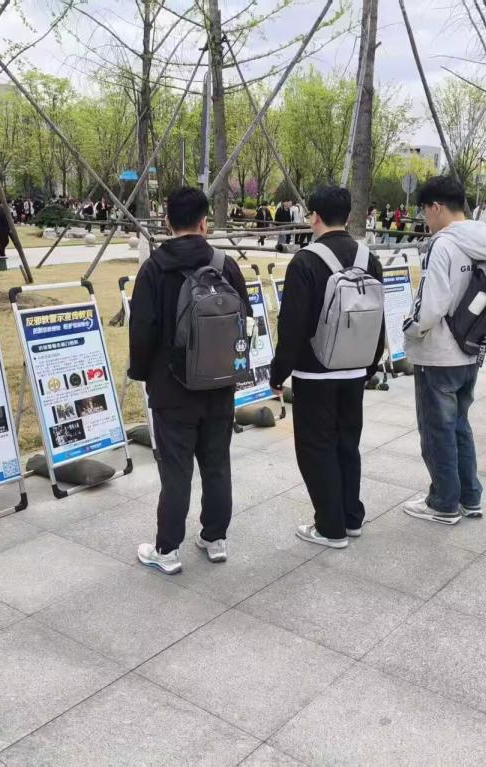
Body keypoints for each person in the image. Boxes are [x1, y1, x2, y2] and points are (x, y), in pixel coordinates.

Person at [128, 187, 251, 574]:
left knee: (176, 471)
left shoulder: (153, 268)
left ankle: (167, 550)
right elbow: (244, 318)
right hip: (220, 383)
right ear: (204, 223)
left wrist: (142, 373)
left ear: (167, 222)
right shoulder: (225, 265)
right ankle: (215, 538)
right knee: (217, 464)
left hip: (172, 388)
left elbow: (142, 330)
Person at [269, 186, 385, 548]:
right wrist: (370, 365)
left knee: (316, 448)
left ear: (314, 216)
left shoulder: (305, 261)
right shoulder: (368, 258)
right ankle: (351, 517)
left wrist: (278, 373)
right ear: (347, 216)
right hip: (355, 369)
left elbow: (292, 325)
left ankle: (330, 526)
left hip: (314, 372)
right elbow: (378, 318)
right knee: (347, 444)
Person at [401, 175, 486, 526]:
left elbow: (432, 306)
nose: (425, 219)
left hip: (439, 353)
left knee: (437, 430)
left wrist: (409, 329)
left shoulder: (443, 245)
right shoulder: (484, 241)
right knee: (459, 426)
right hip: (471, 348)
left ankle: (443, 503)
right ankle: (470, 497)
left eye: (425, 211)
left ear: (437, 207)